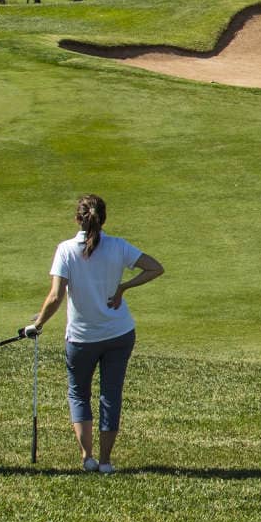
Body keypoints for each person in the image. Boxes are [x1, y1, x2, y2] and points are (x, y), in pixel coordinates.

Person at [20, 192, 164, 472]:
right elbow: (155, 268)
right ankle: (106, 461)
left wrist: (37, 325)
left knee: (78, 394)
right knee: (110, 395)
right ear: (104, 218)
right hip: (119, 333)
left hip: (81, 338)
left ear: (78, 219)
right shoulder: (118, 247)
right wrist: (123, 287)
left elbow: (54, 297)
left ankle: (88, 457)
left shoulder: (65, 250)